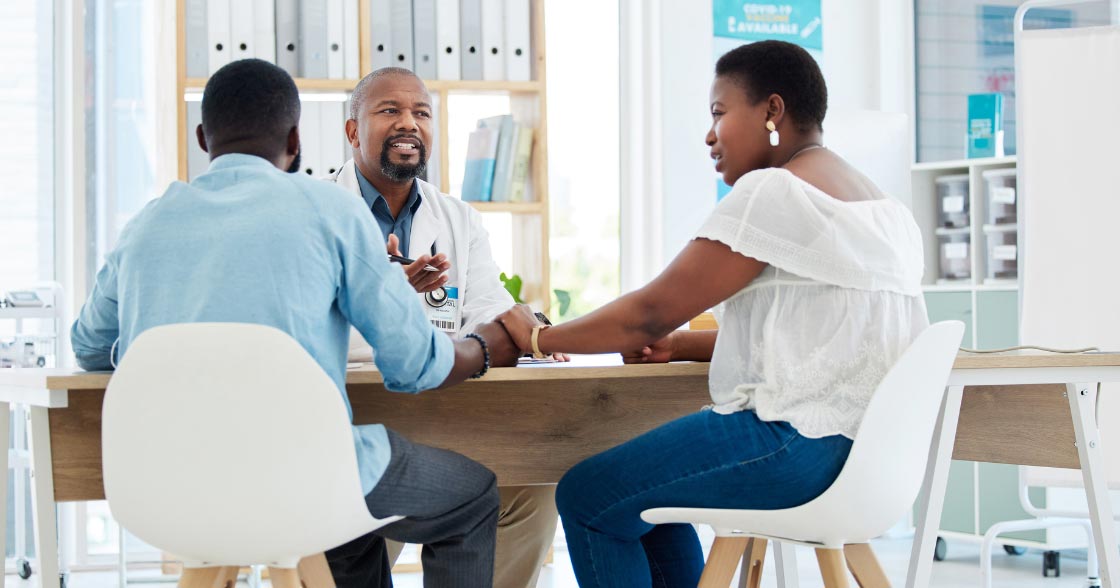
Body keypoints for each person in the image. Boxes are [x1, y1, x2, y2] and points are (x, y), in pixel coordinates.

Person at [70, 58, 520, 588]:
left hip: (166, 490)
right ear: (296, 138)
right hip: (306, 481)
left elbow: (88, 348)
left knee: (344, 524)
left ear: (201, 137)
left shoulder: (146, 223)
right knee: (469, 495)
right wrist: (484, 348)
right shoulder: (331, 211)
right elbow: (413, 366)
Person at [497, 40, 929, 587]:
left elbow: (648, 312)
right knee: (641, 502)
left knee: (587, 495)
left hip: (791, 446)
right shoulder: (888, 211)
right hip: (863, 463)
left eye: (719, 114)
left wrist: (539, 337)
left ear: (772, 111)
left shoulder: (776, 190)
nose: (709, 136)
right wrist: (679, 346)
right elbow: (812, 335)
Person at [323, 66, 560, 588]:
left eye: (422, 113)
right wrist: (386, 304)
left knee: (532, 490)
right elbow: (312, 332)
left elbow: (488, 307)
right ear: (352, 131)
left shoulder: (459, 219)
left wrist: (531, 332)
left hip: (447, 414)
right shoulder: (319, 214)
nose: (408, 123)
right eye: (389, 111)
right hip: (356, 422)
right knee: (353, 525)